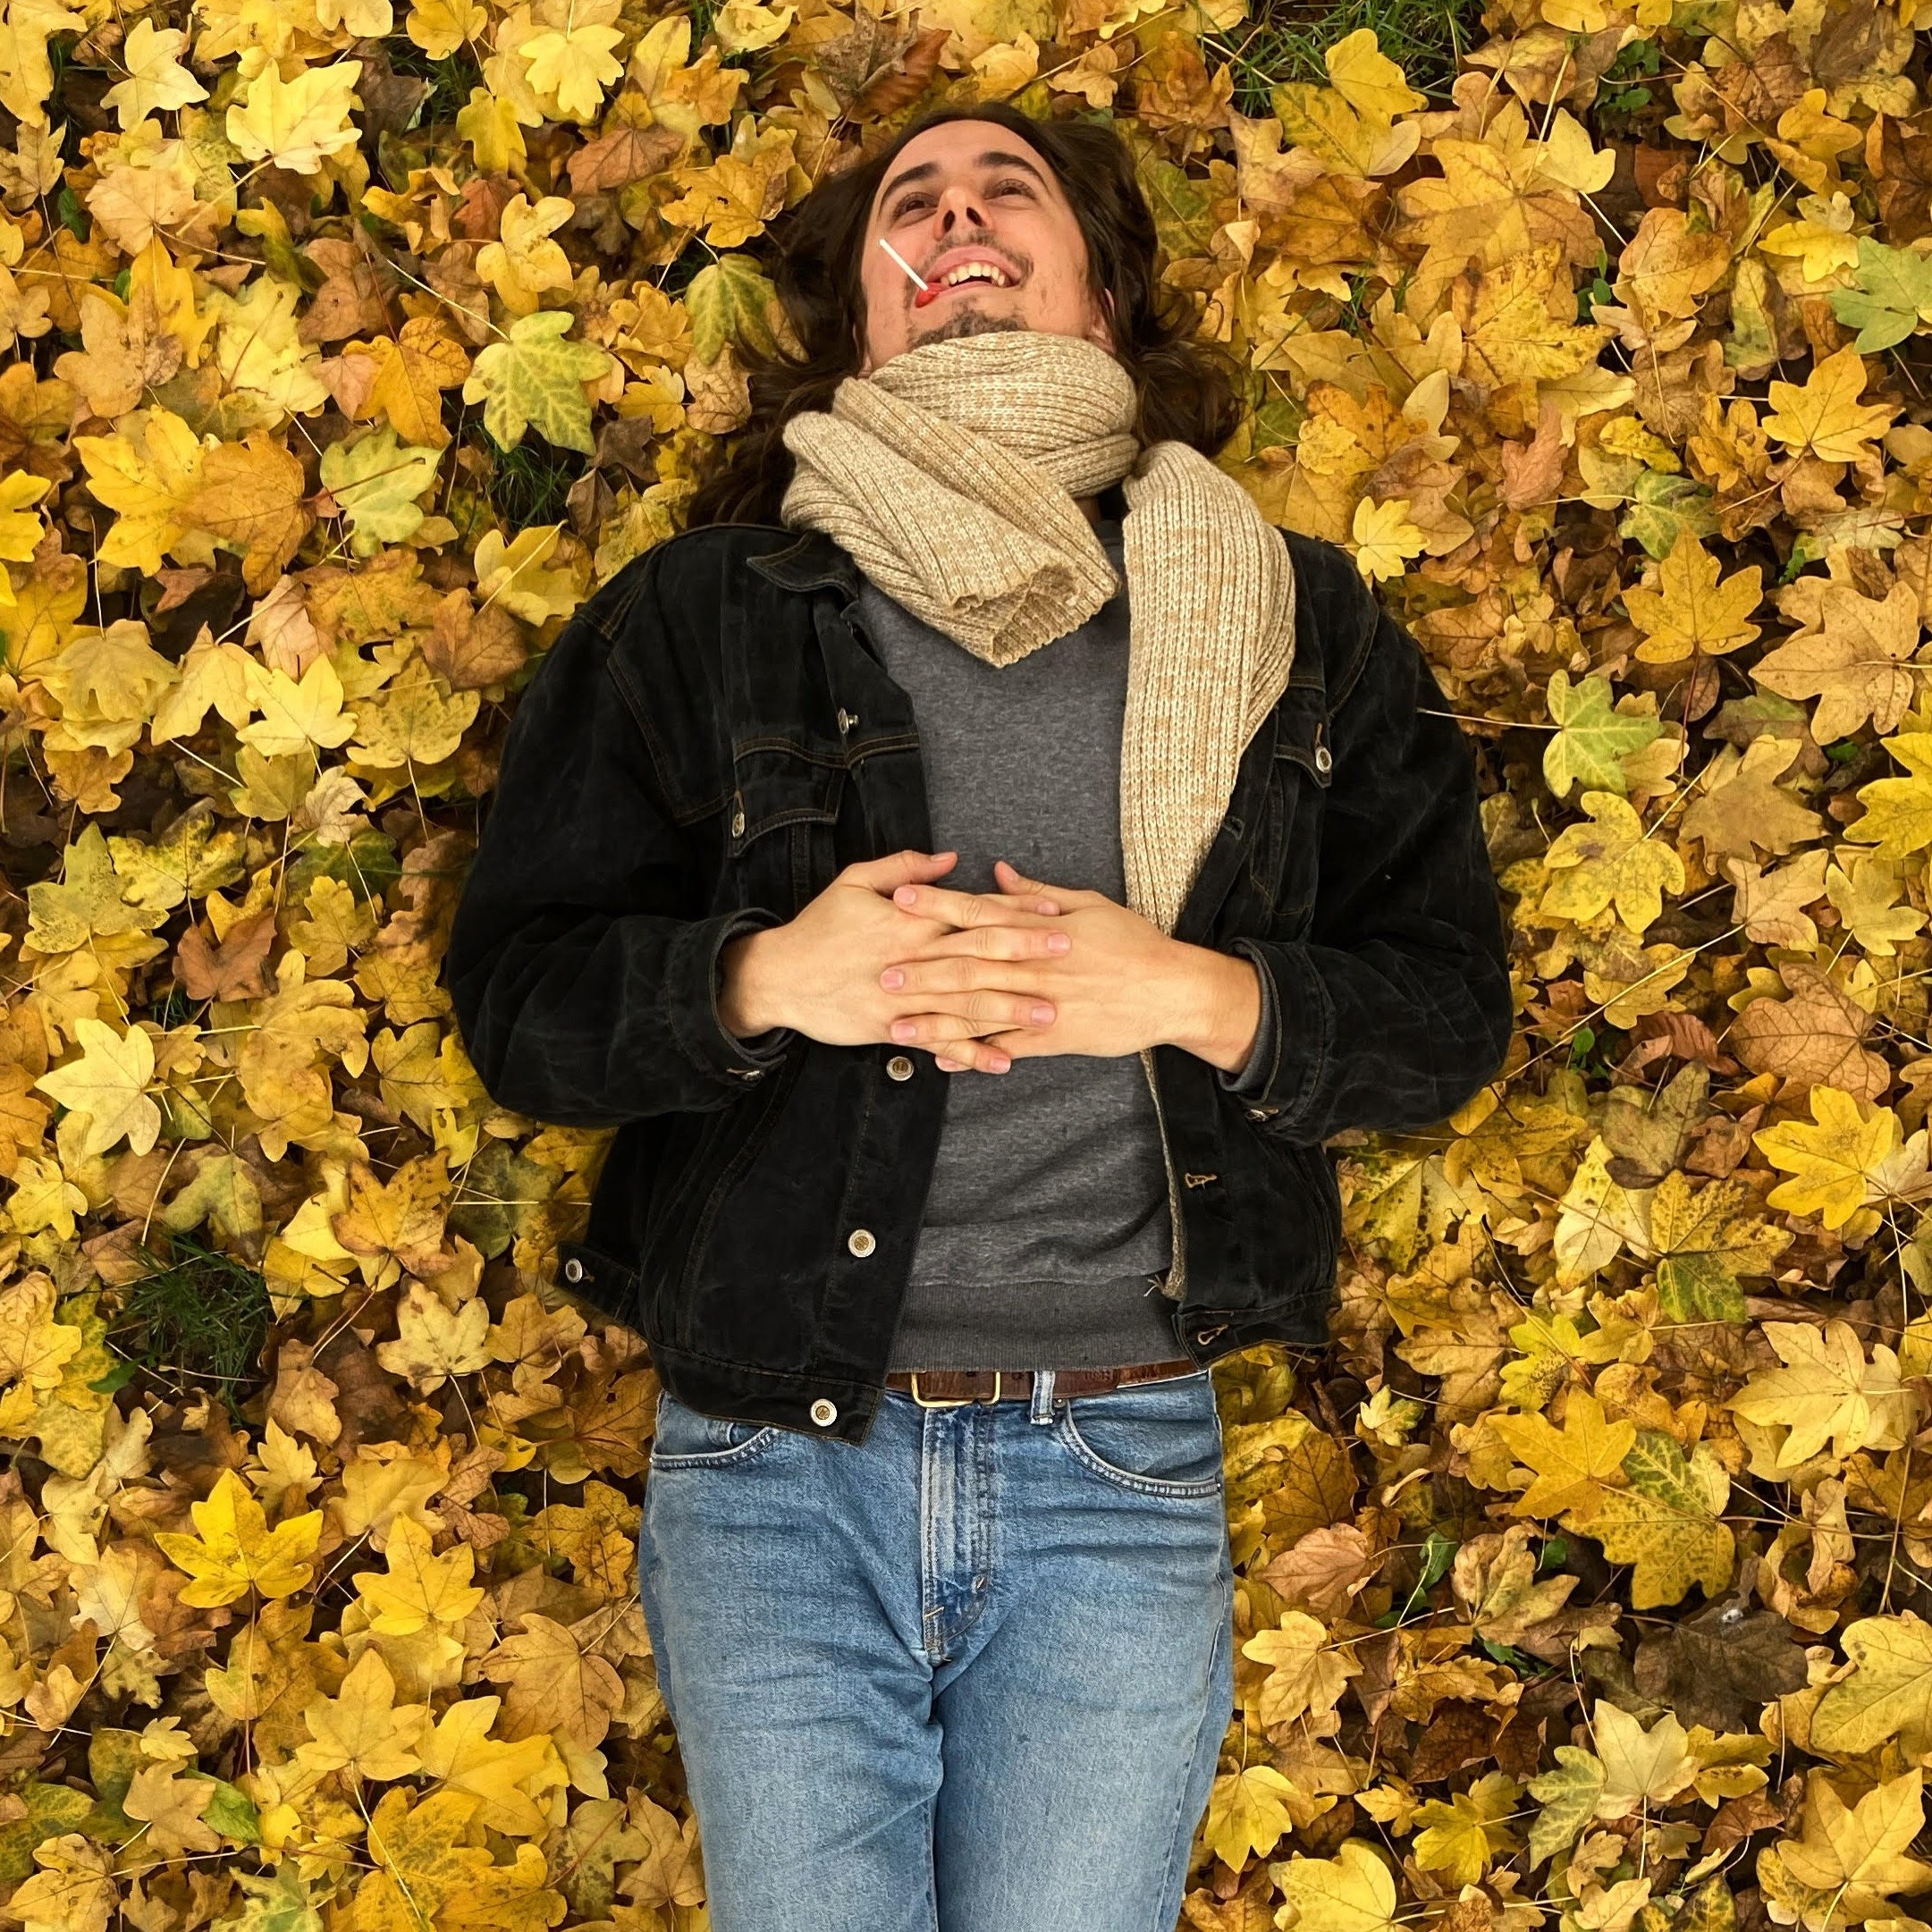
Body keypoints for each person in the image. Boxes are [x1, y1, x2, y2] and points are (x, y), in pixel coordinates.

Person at [445, 98, 1514, 1932]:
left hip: (1118, 1456)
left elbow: (1446, 1015)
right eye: (910, 204)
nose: (952, 220)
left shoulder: (1287, 613)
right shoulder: (706, 614)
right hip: (777, 1462)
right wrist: (763, 978)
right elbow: (519, 998)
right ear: (863, 316)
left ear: (1102, 294)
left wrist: (1185, 989)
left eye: (1003, 191)